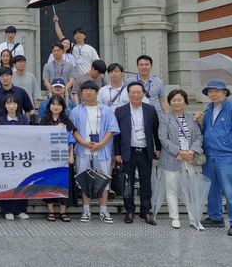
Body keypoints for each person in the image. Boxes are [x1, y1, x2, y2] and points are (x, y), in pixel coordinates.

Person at [196, 79, 232, 236]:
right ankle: (215, 217)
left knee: (230, 190)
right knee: (211, 189)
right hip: (209, 154)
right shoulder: (208, 109)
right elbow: (207, 130)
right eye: (210, 92)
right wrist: (200, 122)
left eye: (216, 91)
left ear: (225, 93)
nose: (212, 94)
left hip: (226, 156)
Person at [69, 80, 120, 223]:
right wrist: (83, 142)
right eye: (85, 90)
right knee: (84, 181)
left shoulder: (106, 110)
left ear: (97, 93)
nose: (88, 92)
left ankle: (103, 210)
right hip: (83, 150)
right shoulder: (76, 111)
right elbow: (73, 130)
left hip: (102, 151)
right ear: (81, 93)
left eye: (92, 90)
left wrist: (102, 144)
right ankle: (86, 211)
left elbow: (112, 129)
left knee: (104, 181)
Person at [114, 81, 161, 225]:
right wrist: (117, 153)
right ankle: (129, 211)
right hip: (128, 152)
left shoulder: (150, 109)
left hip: (145, 151)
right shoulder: (120, 111)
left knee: (146, 183)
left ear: (143, 94)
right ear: (128, 94)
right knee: (127, 182)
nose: (135, 95)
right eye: (132, 92)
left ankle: (146, 211)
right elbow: (117, 135)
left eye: (138, 92)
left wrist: (158, 149)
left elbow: (155, 131)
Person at [158, 89, 204, 230]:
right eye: (174, 100)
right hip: (172, 158)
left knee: (189, 189)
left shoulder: (191, 118)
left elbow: (199, 137)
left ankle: (193, 218)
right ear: (170, 102)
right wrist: (179, 152)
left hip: (188, 158)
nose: (177, 102)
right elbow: (163, 139)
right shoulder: (165, 118)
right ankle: (175, 217)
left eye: (180, 100)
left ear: (185, 102)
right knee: (171, 188)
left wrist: (191, 151)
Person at [40, 94, 77, 222]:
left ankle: (63, 211)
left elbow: (71, 140)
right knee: (49, 183)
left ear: (63, 107)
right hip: (49, 158)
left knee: (64, 184)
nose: (56, 107)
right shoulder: (44, 120)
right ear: (49, 106)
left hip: (64, 158)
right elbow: (41, 139)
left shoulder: (66, 120)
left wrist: (71, 155)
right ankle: (50, 211)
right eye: (53, 104)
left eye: (59, 104)